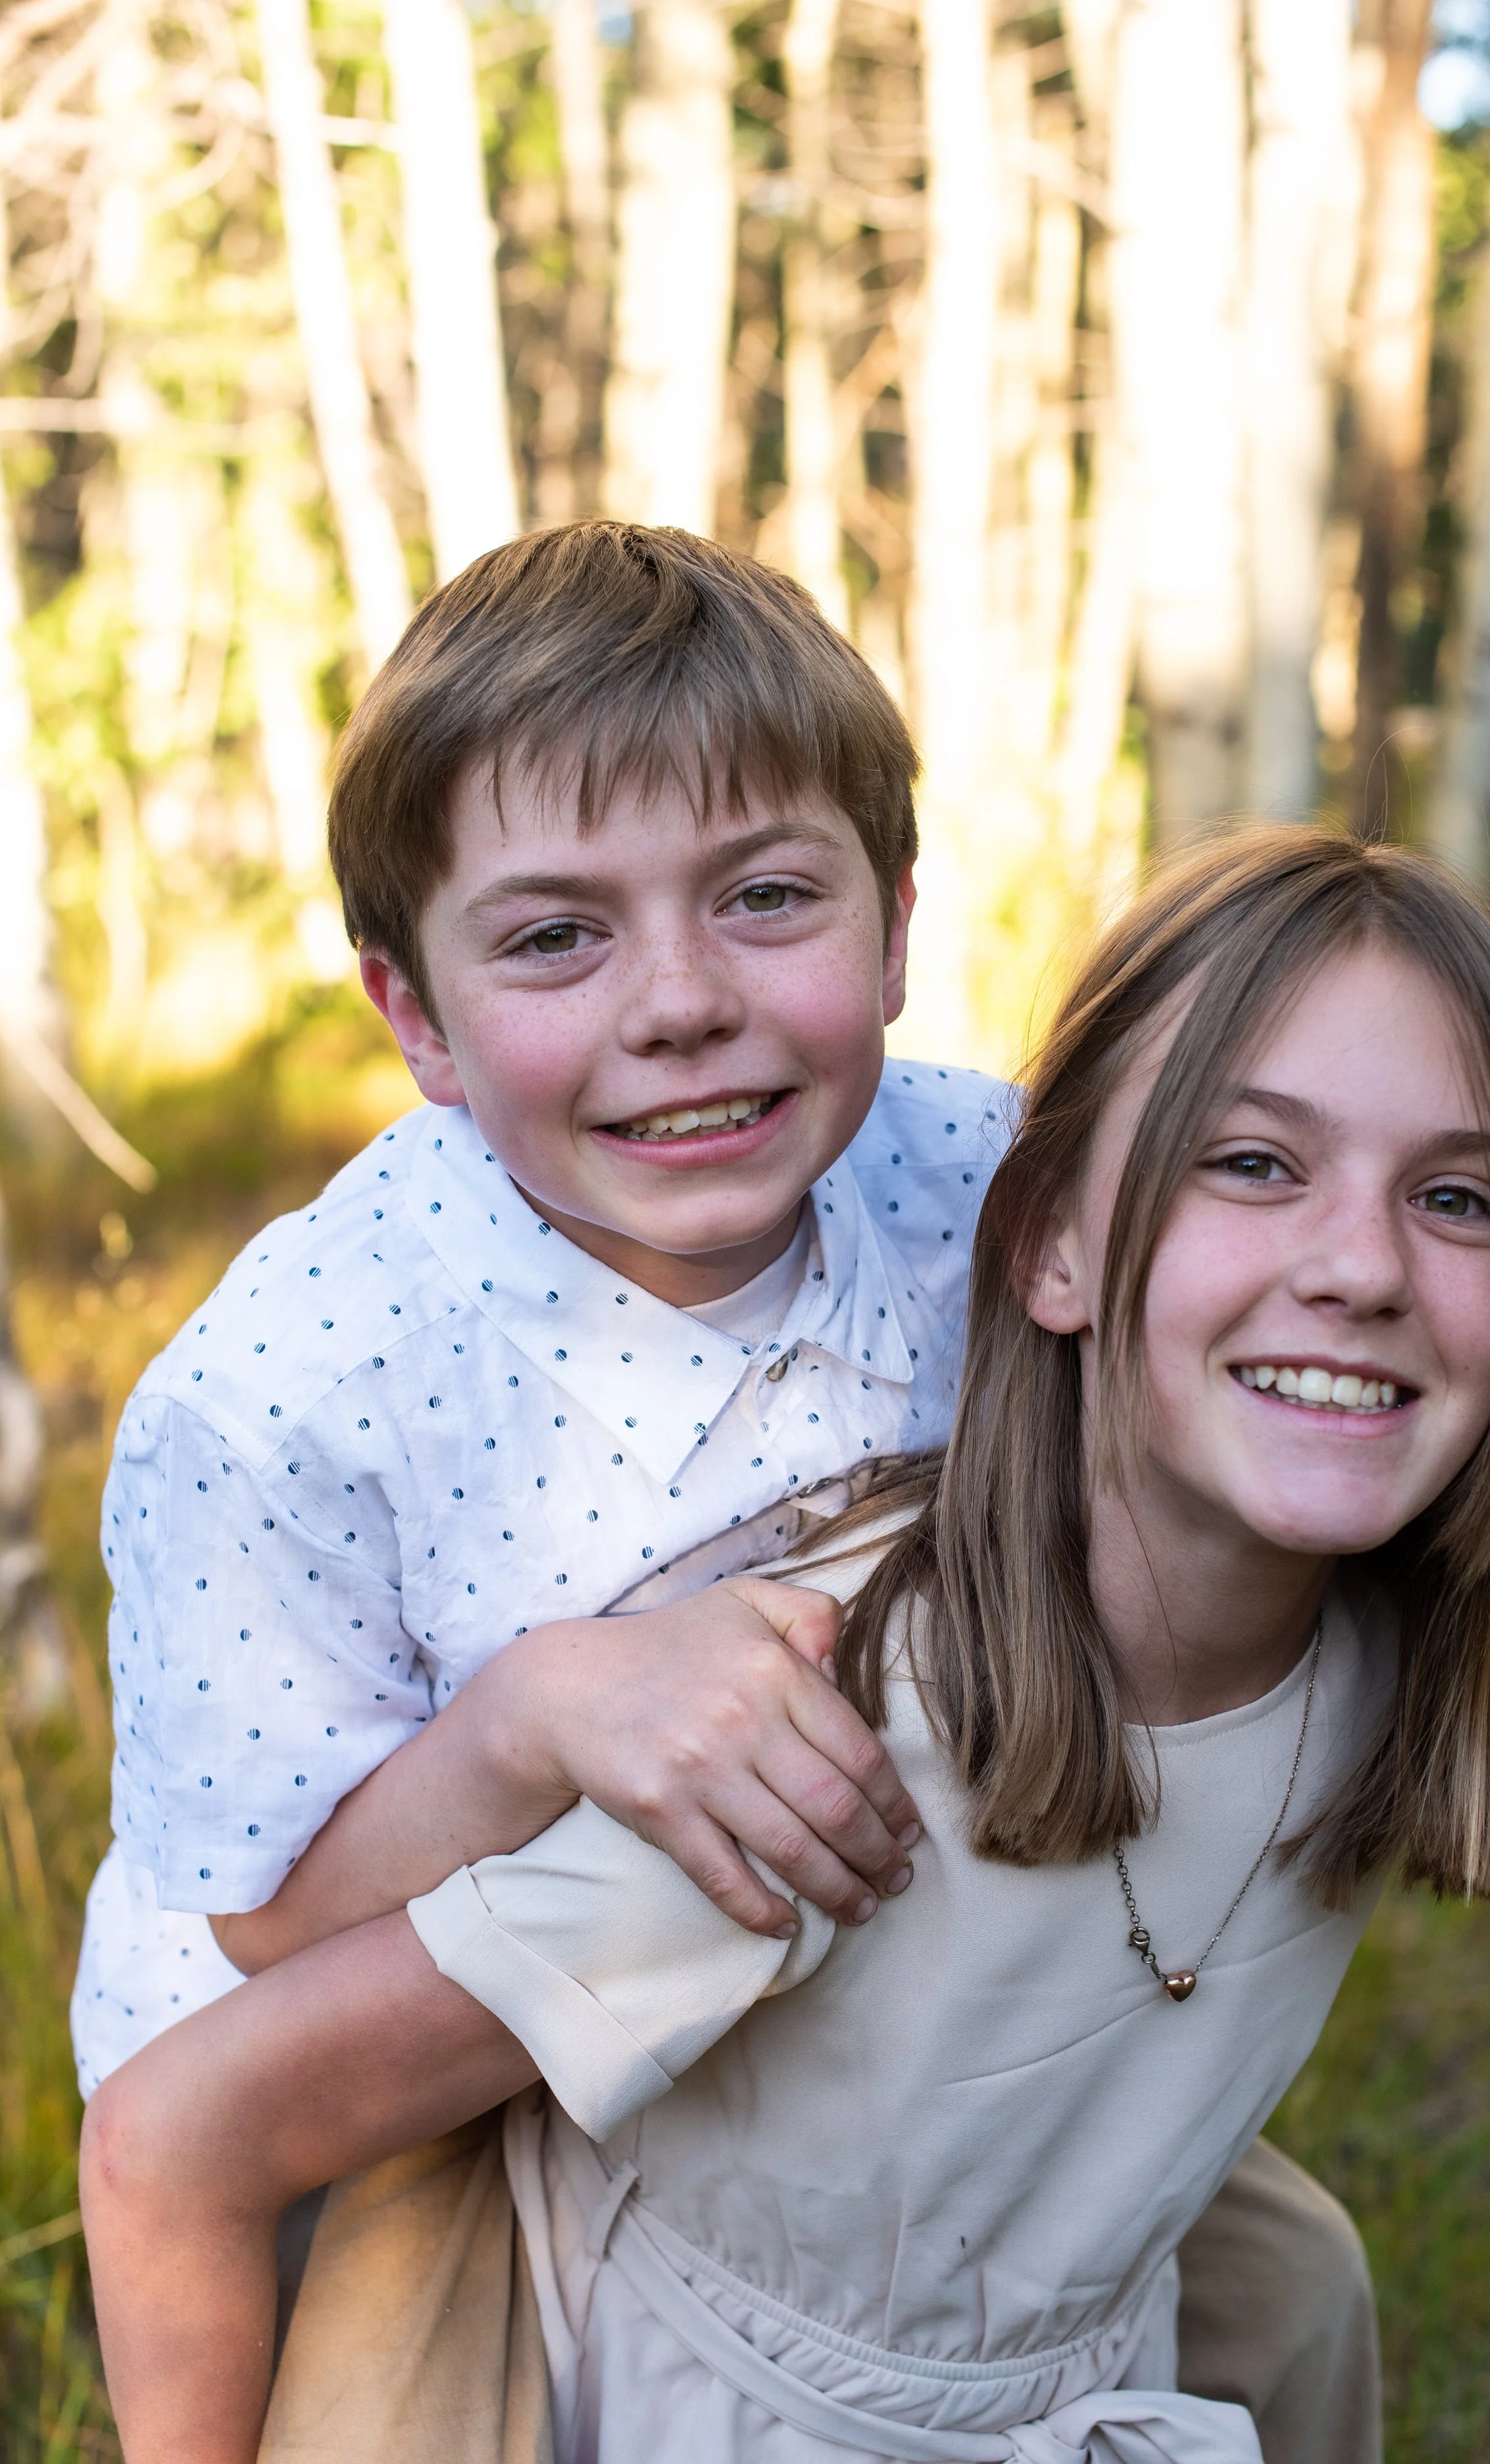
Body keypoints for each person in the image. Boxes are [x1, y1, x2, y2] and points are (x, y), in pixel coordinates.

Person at [70, 524, 1422, 2457]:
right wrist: (541, 1713)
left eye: (766, 896)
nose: (679, 1000)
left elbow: (1258, 1356)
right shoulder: (296, 1392)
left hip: (805, 2014)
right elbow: (271, 1932)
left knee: (1282, 2293)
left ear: (892, 924)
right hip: (388, 2078)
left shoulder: (984, 1188)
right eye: (554, 935)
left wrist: (1474, 1537)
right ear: (415, 1016)